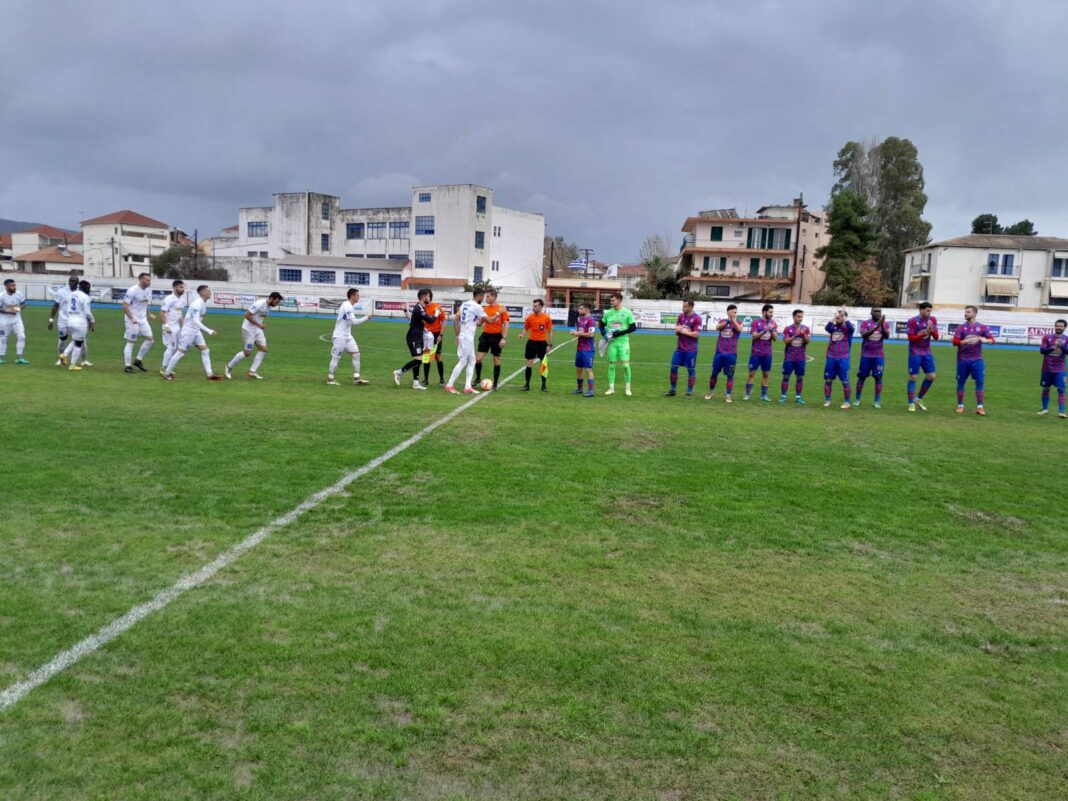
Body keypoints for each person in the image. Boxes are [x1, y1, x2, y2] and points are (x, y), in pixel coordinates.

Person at [162, 285, 223, 381]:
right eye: (208, 291)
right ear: (202, 292)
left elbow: (197, 320)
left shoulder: (202, 303)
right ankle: (167, 373)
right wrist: (209, 330)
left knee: (205, 350)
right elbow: (195, 320)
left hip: (195, 331)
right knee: (181, 353)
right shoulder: (197, 303)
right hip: (189, 332)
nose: (210, 293)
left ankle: (210, 374)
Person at [225, 292, 284, 379]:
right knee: (247, 353)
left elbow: (259, 317)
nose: (277, 304)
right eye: (276, 302)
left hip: (258, 330)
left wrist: (260, 325)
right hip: (249, 330)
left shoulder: (268, 307)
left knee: (263, 349)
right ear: (271, 298)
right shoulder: (259, 304)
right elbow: (246, 315)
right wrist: (259, 325)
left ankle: (252, 372)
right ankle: (229, 367)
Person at [953, 305, 996, 415]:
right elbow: (954, 342)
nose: (965, 313)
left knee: (980, 381)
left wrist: (983, 339)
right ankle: (960, 405)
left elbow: (992, 340)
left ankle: (980, 407)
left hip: (977, 360)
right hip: (963, 360)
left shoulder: (982, 328)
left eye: (968, 312)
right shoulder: (961, 328)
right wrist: (964, 342)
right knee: (961, 382)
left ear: (974, 314)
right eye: (965, 312)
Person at [445, 287, 489, 394]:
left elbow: (456, 320)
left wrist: (457, 335)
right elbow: (490, 320)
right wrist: (499, 313)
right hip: (467, 337)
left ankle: (467, 387)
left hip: (465, 336)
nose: (483, 299)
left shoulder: (464, 304)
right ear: (479, 296)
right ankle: (449, 385)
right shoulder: (477, 306)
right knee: (463, 361)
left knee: (472, 360)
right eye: (483, 296)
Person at [393, 288, 437, 390]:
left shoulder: (420, 308)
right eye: (429, 296)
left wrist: (405, 310)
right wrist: (436, 313)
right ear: (425, 296)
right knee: (418, 360)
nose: (429, 298)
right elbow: (430, 320)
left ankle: (415, 383)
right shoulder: (419, 308)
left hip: (418, 337)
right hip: (413, 337)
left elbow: (411, 319)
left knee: (418, 359)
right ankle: (398, 372)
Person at [327, 287, 370, 386]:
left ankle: (357, 378)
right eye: (357, 295)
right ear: (352, 296)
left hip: (347, 336)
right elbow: (354, 322)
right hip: (339, 337)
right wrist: (366, 317)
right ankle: (330, 379)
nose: (359, 297)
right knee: (336, 357)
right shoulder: (347, 306)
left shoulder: (350, 306)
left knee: (356, 354)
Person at [600, 292, 636, 396]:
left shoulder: (627, 312)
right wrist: (604, 333)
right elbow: (601, 324)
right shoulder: (608, 313)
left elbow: (633, 328)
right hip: (612, 343)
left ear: (619, 301)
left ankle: (628, 388)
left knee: (625, 366)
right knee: (612, 366)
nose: (611, 302)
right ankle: (611, 388)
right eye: (610, 300)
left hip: (623, 342)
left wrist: (619, 333)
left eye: (613, 300)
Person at [907, 301, 939, 412]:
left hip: (927, 352)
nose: (929, 313)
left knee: (931, 376)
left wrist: (932, 330)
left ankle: (918, 399)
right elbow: (911, 338)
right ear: (921, 310)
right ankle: (911, 403)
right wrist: (923, 334)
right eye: (927, 310)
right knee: (913, 377)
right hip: (915, 352)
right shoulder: (912, 321)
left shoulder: (932, 320)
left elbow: (936, 337)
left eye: (930, 310)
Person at [855, 308, 890, 408]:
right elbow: (864, 334)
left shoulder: (885, 324)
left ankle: (877, 401)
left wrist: (881, 325)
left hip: (878, 356)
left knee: (878, 378)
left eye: (879, 312)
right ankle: (857, 399)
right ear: (871, 313)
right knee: (861, 377)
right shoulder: (865, 323)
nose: (878, 313)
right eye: (875, 311)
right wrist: (876, 327)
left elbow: (887, 336)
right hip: (866, 355)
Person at [475, 289, 510, 390]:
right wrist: (479, 320)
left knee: (496, 359)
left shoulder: (502, 309)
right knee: (478, 359)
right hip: (485, 336)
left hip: (497, 337)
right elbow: (479, 323)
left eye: (488, 296)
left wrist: (503, 338)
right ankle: (477, 378)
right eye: (486, 296)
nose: (486, 298)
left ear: (494, 297)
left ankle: (495, 382)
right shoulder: (484, 309)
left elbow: (506, 324)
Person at [666, 299, 702, 398]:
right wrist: (677, 331)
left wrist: (682, 331)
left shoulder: (697, 318)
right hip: (679, 349)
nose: (683, 308)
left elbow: (696, 334)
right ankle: (673, 390)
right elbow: (677, 332)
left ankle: (689, 393)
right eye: (683, 306)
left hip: (691, 350)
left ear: (691, 307)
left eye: (685, 306)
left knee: (690, 370)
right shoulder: (681, 317)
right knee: (673, 368)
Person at [705, 304, 741, 402]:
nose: (735, 314)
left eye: (736, 312)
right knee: (714, 373)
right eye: (733, 312)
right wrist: (727, 321)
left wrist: (733, 320)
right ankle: (711, 391)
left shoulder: (738, 322)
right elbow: (717, 327)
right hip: (719, 353)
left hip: (731, 354)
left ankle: (728, 395)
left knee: (730, 375)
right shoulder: (722, 322)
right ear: (728, 312)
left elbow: (739, 329)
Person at [122, 272, 155, 373]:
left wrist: (149, 314)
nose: (149, 282)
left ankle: (138, 360)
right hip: (132, 319)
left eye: (150, 280)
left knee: (150, 340)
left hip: (143, 319)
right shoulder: (132, 290)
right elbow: (125, 305)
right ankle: (127, 366)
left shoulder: (148, 291)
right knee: (131, 342)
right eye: (147, 280)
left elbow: (146, 303)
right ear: (141, 280)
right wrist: (131, 318)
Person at [745, 303, 778, 401]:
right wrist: (764, 331)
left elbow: (775, 339)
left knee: (766, 374)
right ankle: (747, 394)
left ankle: (764, 395)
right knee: (751, 374)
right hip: (756, 353)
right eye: (770, 312)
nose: (771, 314)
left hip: (767, 353)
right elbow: (754, 337)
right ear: (764, 312)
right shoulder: (756, 322)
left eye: (772, 312)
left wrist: (771, 330)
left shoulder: (773, 323)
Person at [823, 307, 855, 409]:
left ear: (844, 317)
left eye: (841, 316)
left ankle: (847, 402)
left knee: (845, 380)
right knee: (828, 379)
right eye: (838, 315)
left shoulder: (847, 329)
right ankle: (827, 400)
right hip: (831, 357)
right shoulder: (833, 328)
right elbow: (827, 328)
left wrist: (843, 316)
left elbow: (851, 328)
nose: (838, 317)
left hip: (843, 358)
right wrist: (835, 316)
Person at [519, 299, 553, 392]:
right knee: (529, 364)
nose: (534, 307)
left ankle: (543, 385)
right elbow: (525, 328)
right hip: (531, 343)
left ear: (541, 307)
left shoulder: (546, 318)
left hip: (542, 344)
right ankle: (527, 385)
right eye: (533, 306)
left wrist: (549, 345)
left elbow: (550, 332)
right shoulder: (530, 318)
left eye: (536, 306)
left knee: (543, 364)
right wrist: (522, 334)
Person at [49, 276, 83, 366]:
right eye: (70, 281)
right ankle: (61, 359)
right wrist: (51, 319)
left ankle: (78, 360)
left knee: (79, 340)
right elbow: (55, 306)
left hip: (76, 320)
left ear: (77, 283)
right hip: (63, 320)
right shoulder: (61, 291)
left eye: (74, 281)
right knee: (62, 340)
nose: (71, 283)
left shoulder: (81, 292)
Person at [62, 280, 94, 371]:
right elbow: (87, 312)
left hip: (70, 321)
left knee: (76, 340)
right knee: (78, 344)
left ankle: (64, 354)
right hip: (80, 322)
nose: (89, 290)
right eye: (88, 288)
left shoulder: (71, 294)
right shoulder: (85, 297)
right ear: (84, 287)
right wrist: (92, 320)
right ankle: (72, 365)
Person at [779, 309, 810, 404]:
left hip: (801, 358)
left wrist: (803, 334)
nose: (800, 319)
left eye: (801, 317)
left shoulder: (806, 328)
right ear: (793, 317)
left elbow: (808, 342)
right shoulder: (788, 329)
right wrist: (796, 335)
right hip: (789, 357)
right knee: (786, 377)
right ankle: (783, 396)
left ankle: (798, 397)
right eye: (798, 316)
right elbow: (785, 341)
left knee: (800, 377)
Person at [1038, 319, 1067, 418]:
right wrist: (1052, 348)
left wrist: (1062, 346)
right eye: (1057, 326)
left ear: (1064, 327)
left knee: (1061, 389)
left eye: (1061, 326)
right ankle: (1045, 409)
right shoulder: (1047, 337)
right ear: (1055, 326)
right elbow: (1042, 351)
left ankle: (1062, 411)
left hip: (1060, 368)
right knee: (1046, 388)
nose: (1058, 327)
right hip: (1047, 368)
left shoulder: (1066, 339)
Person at [158, 280, 186, 376]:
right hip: (169, 328)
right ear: (174, 288)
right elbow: (161, 313)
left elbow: (180, 315)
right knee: (171, 348)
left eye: (183, 287)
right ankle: (163, 368)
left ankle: (168, 367)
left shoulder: (182, 300)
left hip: (177, 328)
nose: (183, 289)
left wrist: (184, 327)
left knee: (175, 349)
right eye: (180, 287)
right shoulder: (169, 299)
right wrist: (166, 326)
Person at [421, 290, 447, 386]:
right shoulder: (422, 307)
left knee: (437, 356)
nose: (424, 298)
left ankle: (441, 380)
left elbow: (444, 320)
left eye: (425, 296)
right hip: (426, 335)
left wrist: (441, 334)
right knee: (426, 355)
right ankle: (426, 380)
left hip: (436, 335)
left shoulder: (437, 307)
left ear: (429, 296)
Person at [0, 278, 29, 365]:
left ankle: (20, 358)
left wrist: (19, 308)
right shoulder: (1, 296)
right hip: (4, 320)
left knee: (22, 337)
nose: (14, 287)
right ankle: (1, 358)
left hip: (17, 320)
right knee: (3, 339)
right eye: (12, 285)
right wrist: (9, 311)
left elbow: (24, 304)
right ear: (6, 286)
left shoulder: (19, 294)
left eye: (14, 285)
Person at [571, 302, 596, 397]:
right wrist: (575, 332)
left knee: (588, 369)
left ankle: (591, 391)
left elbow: (591, 334)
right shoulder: (580, 319)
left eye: (581, 309)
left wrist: (578, 334)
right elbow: (580, 332)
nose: (578, 310)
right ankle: (579, 389)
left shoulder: (591, 320)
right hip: (580, 348)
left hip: (588, 349)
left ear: (586, 310)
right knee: (578, 369)